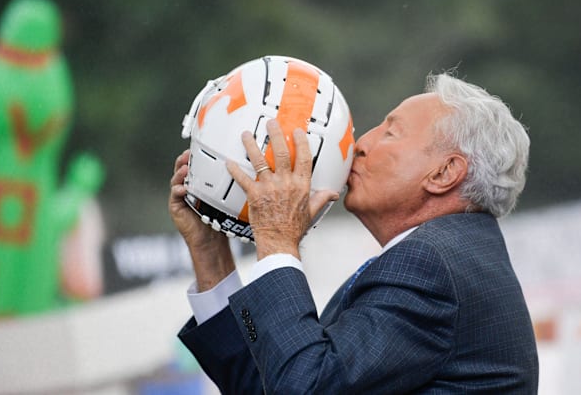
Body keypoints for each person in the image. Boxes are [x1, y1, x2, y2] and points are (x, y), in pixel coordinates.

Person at [168, 72, 539, 394]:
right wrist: (211, 254)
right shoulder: (447, 257)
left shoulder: (430, 266)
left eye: (391, 132)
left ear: (444, 174)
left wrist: (278, 240)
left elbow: (303, 385)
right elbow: (268, 382)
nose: (361, 144)